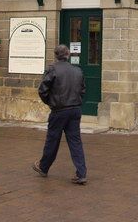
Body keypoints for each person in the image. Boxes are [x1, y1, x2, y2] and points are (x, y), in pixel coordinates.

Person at [33, 44, 88, 185]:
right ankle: (81, 173)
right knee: (75, 141)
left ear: (56, 55)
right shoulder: (77, 71)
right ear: (68, 55)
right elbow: (82, 90)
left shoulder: (52, 70)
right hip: (75, 109)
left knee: (52, 140)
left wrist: (51, 102)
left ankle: (44, 167)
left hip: (59, 110)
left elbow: (42, 90)